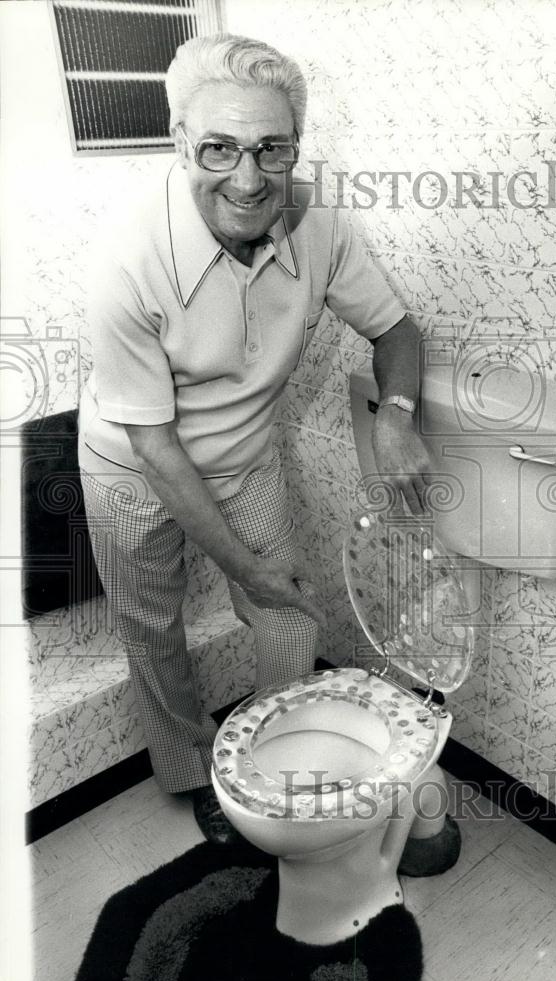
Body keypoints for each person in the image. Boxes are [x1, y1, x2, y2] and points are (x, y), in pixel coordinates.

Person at [78, 34, 432, 844]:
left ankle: (268, 764)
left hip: (246, 455)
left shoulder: (318, 223)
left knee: (289, 615)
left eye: (272, 149)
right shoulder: (126, 260)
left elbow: (397, 331)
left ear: (295, 147)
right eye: (219, 148)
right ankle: (194, 769)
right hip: (134, 467)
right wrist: (247, 569)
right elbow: (157, 447)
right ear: (178, 142)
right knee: (153, 629)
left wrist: (400, 415)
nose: (248, 178)